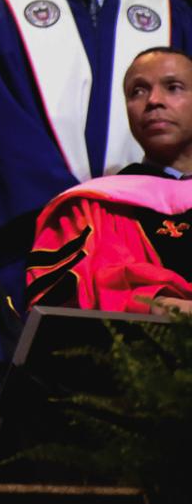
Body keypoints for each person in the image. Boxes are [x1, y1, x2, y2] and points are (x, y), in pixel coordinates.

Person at [0, 0, 190, 307]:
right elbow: (2, 126)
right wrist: (81, 210)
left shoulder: (169, 14)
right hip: (38, 239)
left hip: (156, 240)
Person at [25, 47, 192, 314]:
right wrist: (157, 305)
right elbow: (65, 306)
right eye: (138, 91)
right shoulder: (90, 207)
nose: (153, 101)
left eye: (173, 87)